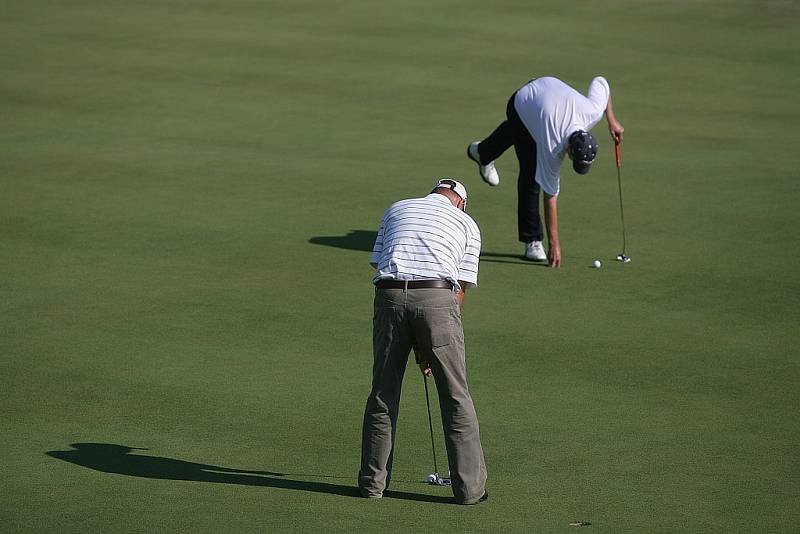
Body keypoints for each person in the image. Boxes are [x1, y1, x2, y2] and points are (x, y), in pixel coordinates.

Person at [358, 179, 488, 505]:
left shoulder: (396, 208)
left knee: (383, 392)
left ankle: (372, 486)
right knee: (456, 395)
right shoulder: (466, 223)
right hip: (437, 296)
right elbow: (459, 288)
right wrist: (429, 345)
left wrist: (418, 342)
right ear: (460, 203)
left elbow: (381, 261)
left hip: (387, 295)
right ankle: (470, 490)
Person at [467, 75, 625, 267]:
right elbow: (550, 195)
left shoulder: (592, 112)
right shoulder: (552, 146)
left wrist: (612, 120)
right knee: (531, 174)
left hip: (541, 96)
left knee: (524, 130)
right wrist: (554, 243)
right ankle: (532, 240)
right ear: (569, 151)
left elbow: (602, 83)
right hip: (521, 101)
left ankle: (482, 153)